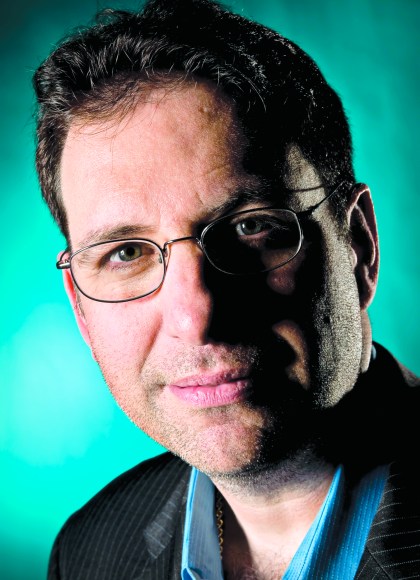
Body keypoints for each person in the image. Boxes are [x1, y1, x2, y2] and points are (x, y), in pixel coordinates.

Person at [33, 0, 419, 578]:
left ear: (358, 246)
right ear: (81, 310)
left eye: (251, 227)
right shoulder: (87, 553)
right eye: (126, 253)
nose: (198, 317)